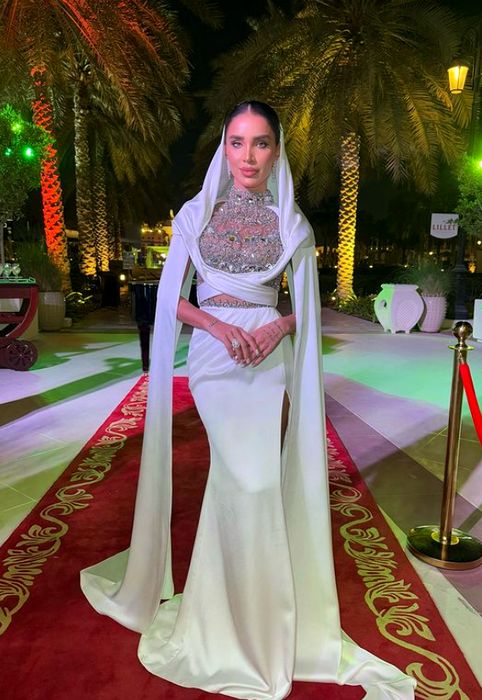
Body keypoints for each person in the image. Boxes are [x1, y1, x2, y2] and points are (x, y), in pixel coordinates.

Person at [81, 101, 416, 699]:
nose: (248, 156)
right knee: (244, 478)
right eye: (237, 142)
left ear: (276, 151)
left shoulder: (293, 224)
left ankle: (252, 610)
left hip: (266, 359)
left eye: (260, 143)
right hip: (214, 359)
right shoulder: (196, 214)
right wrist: (216, 326)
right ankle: (222, 619)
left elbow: (306, 309)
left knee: (254, 481)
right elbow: (173, 298)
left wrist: (276, 327)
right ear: (225, 148)